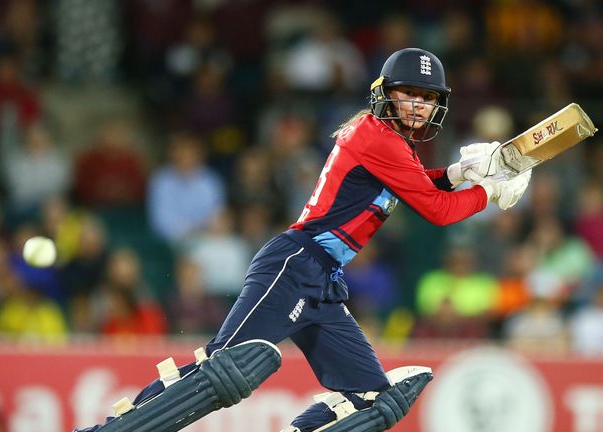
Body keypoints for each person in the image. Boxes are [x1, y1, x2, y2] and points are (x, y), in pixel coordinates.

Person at [75, 48, 531, 432]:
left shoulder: (388, 144)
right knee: (225, 372)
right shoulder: (380, 139)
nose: (417, 105)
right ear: (385, 93)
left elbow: (423, 186)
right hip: (294, 265)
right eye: (408, 93)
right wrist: (487, 189)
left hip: (322, 280)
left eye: (428, 98)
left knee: (372, 403)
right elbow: (437, 210)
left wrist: (458, 174)